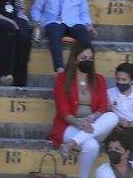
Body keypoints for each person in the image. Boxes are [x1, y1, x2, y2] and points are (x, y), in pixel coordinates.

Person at [52, 42, 118, 178]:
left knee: (113, 117)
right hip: (70, 125)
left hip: (94, 125)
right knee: (91, 145)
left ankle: (70, 144)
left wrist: (90, 118)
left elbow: (103, 107)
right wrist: (79, 123)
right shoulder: (62, 79)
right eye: (84, 58)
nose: (88, 61)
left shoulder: (99, 79)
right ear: (75, 59)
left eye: (90, 59)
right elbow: (62, 110)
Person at [32, 0, 94, 73]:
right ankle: (60, 68)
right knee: (55, 32)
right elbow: (36, 9)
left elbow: (84, 12)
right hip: (53, 22)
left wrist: (88, 24)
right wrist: (37, 22)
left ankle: (86, 67)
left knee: (85, 37)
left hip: (74, 23)